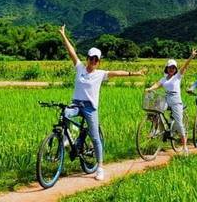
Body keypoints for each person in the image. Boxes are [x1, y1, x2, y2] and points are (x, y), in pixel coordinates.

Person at [58, 25, 144, 181]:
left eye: (96, 59)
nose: (93, 61)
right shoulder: (80, 68)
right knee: (65, 113)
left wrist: (134, 73)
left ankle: (100, 167)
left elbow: (116, 73)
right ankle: (66, 136)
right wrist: (63, 35)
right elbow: (71, 52)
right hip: (77, 104)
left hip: (90, 108)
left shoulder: (100, 74)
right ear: (87, 59)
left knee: (95, 137)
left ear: (99, 61)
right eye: (91, 58)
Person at [145, 48, 197, 155]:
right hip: (167, 99)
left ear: (175, 69)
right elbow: (157, 85)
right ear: (167, 68)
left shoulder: (178, 77)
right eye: (170, 67)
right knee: (155, 110)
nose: (171, 69)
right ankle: (156, 129)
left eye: (173, 67)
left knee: (179, 123)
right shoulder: (164, 78)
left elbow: (185, 66)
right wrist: (150, 88)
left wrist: (191, 56)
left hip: (176, 100)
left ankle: (184, 147)